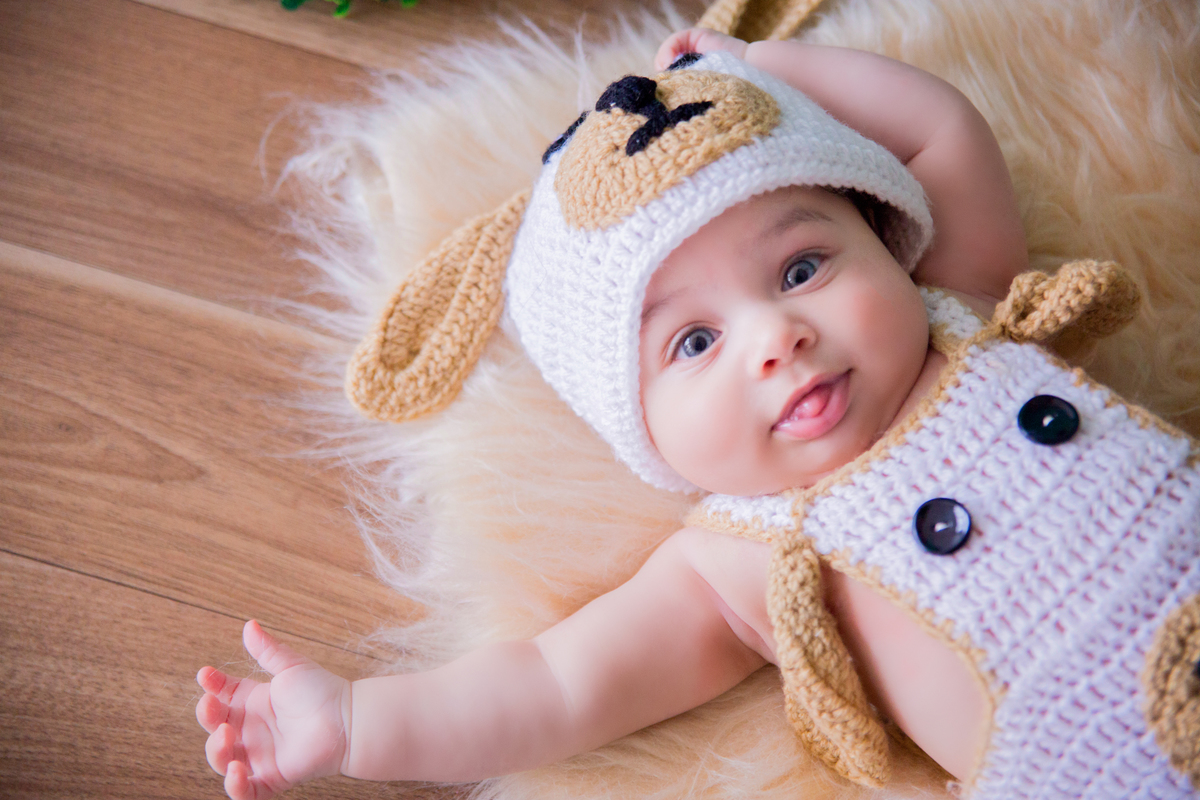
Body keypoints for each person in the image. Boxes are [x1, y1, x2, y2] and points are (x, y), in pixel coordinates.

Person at [196, 28, 1200, 800]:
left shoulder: (961, 310)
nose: (777, 334)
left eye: (803, 267)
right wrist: (358, 721)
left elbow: (943, 128)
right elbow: (550, 684)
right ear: (637, 424)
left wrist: (764, 70)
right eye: (694, 341)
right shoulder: (741, 556)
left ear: (886, 240)